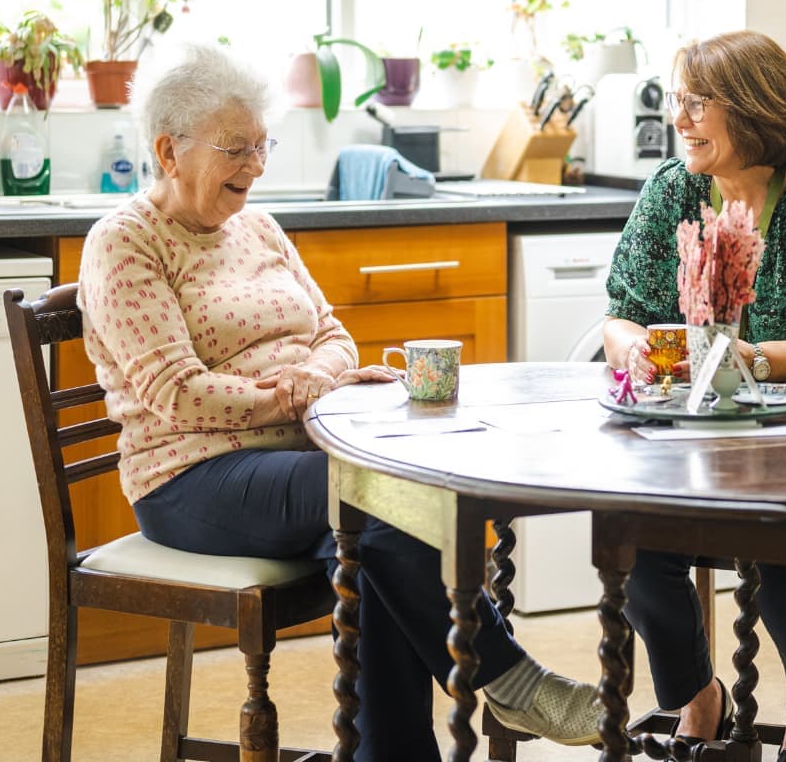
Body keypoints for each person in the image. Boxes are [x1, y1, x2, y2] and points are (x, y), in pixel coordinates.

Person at [77, 42, 601, 761]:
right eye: (237, 148)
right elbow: (178, 395)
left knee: (377, 548)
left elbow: (333, 335)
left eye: (262, 146)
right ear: (169, 151)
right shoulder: (126, 244)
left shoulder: (257, 226)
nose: (255, 166)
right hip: (189, 477)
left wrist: (315, 379)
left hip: (296, 459)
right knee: (374, 503)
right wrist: (296, 396)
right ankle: (508, 680)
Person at [602, 30, 786, 762]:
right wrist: (636, 347)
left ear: (755, 108)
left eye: (698, 103)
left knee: (785, 547)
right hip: (697, 438)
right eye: (679, 102)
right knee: (632, 544)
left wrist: (746, 359)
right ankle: (700, 701)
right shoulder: (673, 190)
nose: (680, 119)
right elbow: (621, 311)